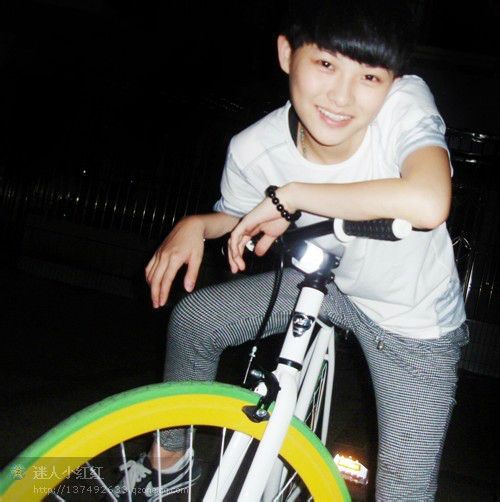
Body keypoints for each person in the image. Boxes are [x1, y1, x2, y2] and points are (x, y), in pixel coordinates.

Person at [114, 0, 468, 500]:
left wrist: (295, 195)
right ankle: (170, 460)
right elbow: (244, 215)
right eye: (325, 63)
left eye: (369, 76)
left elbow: (429, 202)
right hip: (327, 284)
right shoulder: (253, 149)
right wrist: (198, 225)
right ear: (287, 54)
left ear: (392, 81)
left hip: (413, 318)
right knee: (196, 320)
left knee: (402, 490)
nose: (342, 96)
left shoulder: (404, 104)